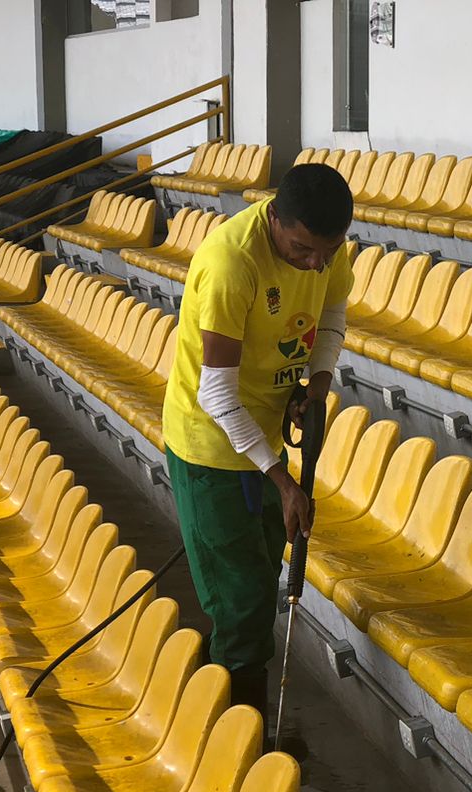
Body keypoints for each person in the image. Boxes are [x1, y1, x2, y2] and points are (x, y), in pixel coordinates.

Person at [161, 162, 354, 715]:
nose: (315, 264)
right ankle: (239, 734)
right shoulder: (231, 264)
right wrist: (283, 482)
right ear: (275, 220)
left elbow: (331, 315)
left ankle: (227, 711)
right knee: (242, 601)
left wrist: (316, 388)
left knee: (260, 581)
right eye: (302, 250)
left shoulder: (327, 250)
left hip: (262, 435)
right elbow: (217, 396)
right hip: (210, 447)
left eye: (327, 252)